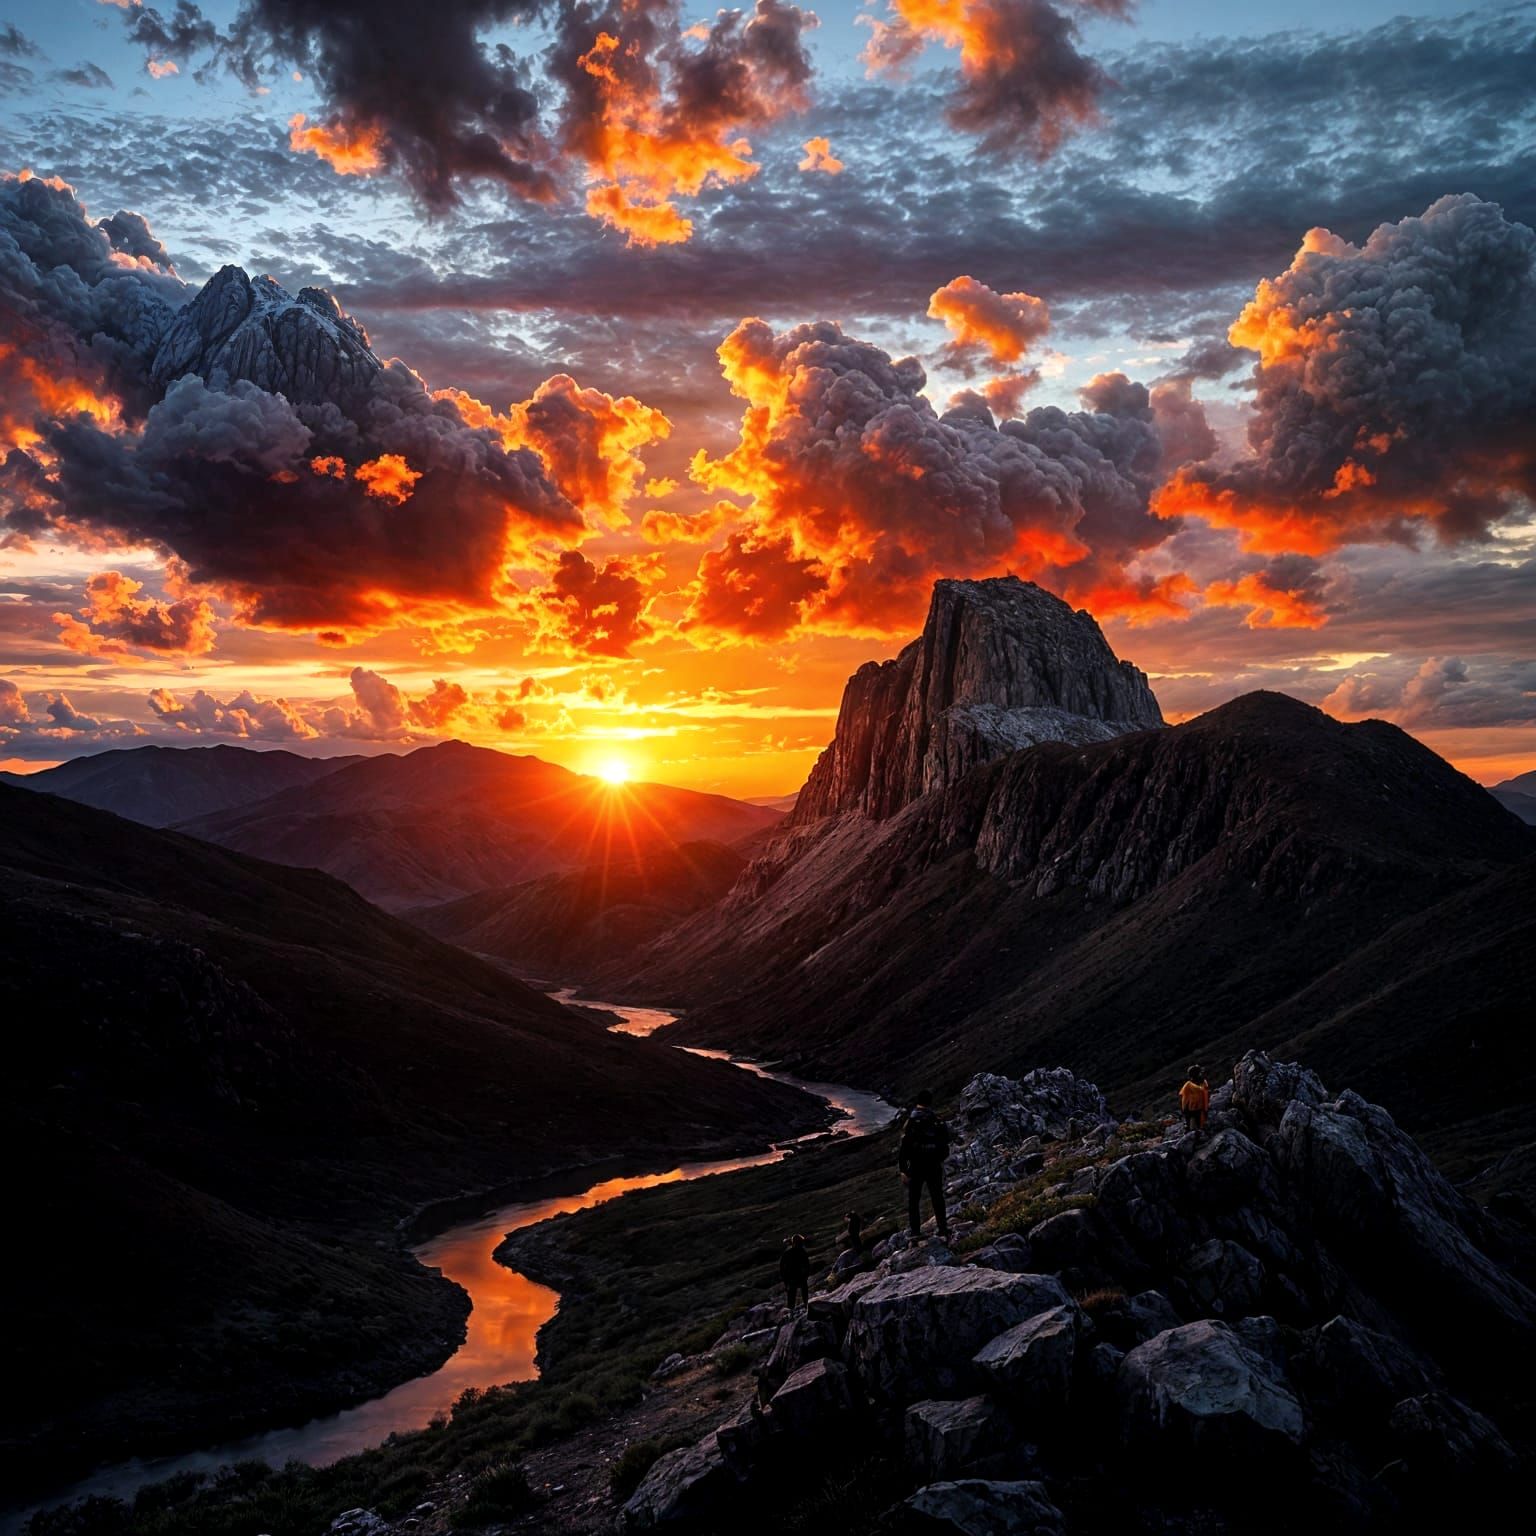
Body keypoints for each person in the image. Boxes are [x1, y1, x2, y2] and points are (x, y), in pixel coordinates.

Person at [898, 1090, 952, 1240]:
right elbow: (945, 1141)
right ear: (930, 1102)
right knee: (937, 1196)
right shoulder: (937, 1120)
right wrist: (939, 1158)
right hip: (934, 1165)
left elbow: (904, 1147)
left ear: (918, 1101)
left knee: (914, 1200)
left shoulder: (911, 1121)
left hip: (916, 1166)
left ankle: (915, 1232)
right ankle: (942, 1228)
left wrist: (903, 1169)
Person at [779, 1233, 811, 1312]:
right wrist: (806, 1275)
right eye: (800, 1243)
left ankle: (792, 1312)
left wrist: (785, 1281)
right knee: (803, 1296)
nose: (801, 1244)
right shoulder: (802, 1252)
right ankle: (806, 1308)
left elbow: (782, 1268)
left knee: (791, 1299)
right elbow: (807, 1265)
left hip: (792, 1279)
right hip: (799, 1278)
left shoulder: (787, 1253)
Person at [1179, 1065, 1210, 1133]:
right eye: (1200, 1072)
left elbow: (1206, 1093)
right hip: (1194, 1110)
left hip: (1200, 1108)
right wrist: (1185, 1110)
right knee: (1194, 1129)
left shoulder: (1203, 1082)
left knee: (1200, 1126)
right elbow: (1184, 1099)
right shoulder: (1189, 1085)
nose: (1201, 1074)